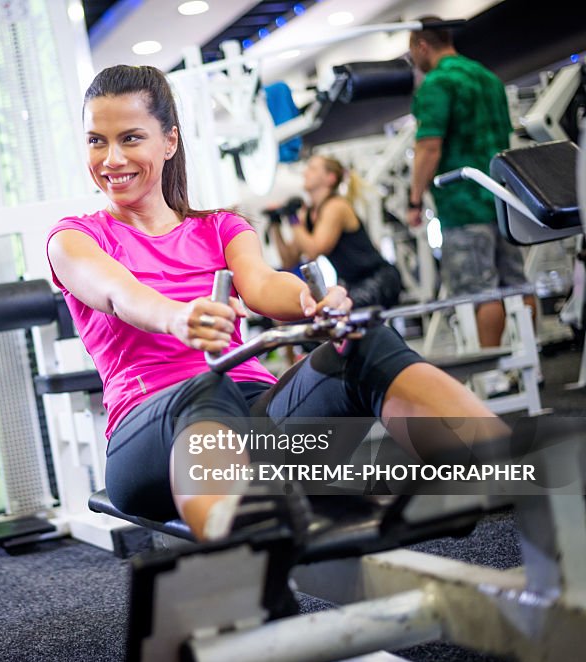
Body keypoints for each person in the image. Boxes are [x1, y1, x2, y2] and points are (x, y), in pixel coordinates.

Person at [47, 65, 506, 542]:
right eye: (96, 141)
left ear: (169, 142)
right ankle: (250, 537)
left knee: (362, 343)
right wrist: (178, 316)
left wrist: (313, 300)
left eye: (131, 138)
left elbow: (263, 285)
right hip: (151, 434)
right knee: (204, 390)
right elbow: (121, 294)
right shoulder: (75, 239)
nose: (111, 158)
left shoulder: (220, 227)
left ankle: (492, 464)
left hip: (255, 418)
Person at [406, 16, 530, 347]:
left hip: (462, 204)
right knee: (517, 285)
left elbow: (429, 146)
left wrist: (414, 199)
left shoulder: (436, 83)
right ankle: (534, 367)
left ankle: (491, 377)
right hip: (502, 198)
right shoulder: (487, 78)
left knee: (480, 292)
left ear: (422, 45)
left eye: (411, 52)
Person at [270, 155, 402, 310]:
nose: (305, 173)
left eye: (312, 169)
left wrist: (293, 220)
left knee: (338, 315)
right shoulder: (307, 214)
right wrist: (275, 225)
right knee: (334, 316)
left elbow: (314, 250)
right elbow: (289, 260)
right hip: (352, 283)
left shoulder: (336, 206)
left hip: (377, 279)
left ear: (330, 178)